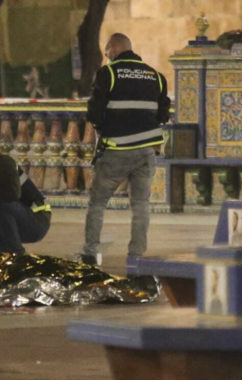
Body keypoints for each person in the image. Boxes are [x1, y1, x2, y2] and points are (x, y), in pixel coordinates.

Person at [80, 33, 171, 266]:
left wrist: (103, 128)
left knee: (98, 202)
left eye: (107, 52)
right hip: (146, 152)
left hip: (116, 150)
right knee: (140, 205)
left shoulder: (108, 73)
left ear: (114, 48)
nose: (106, 56)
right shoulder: (156, 76)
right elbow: (162, 115)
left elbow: (94, 112)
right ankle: (136, 256)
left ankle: (91, 253)